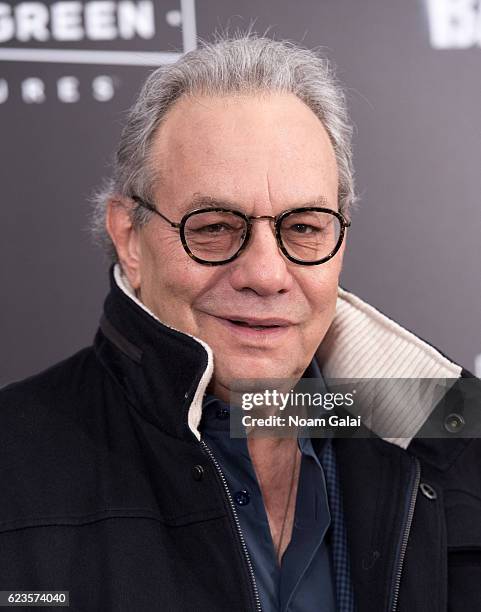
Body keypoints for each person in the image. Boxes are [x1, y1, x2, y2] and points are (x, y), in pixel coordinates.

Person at [1, 34, 480, 612]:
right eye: (213, 227)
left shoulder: (452, 451)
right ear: (129, 236)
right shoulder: (13, 467)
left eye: (304, 227)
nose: (265, 274)